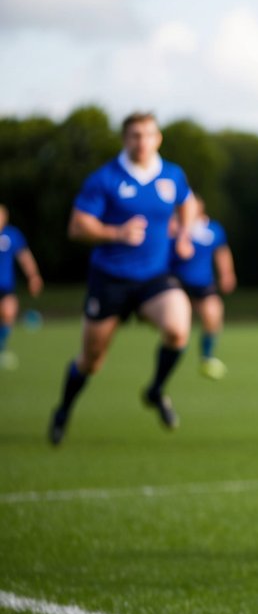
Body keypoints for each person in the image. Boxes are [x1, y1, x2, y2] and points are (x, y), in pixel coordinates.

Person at [48, 112, 197, 445]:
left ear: (158, 138)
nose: (142, 142)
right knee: (91, 361)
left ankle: (155, 391)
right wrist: (116, 232)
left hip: (153, 279)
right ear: (124, 139)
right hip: (110, 279)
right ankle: (63, 410)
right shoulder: (105, 179)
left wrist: (184, 234)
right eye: (134, 135)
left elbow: (186, 202)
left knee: (178, 328)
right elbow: (77, 226)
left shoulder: (172, 175)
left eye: (148, 135)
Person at [170, 199, 235, 379]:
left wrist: (227, 273)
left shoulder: (213, 229)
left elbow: (222, 252)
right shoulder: (174, 226)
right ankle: (173, 356)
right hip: (176, 283)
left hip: (203, 283)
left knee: (213, 315)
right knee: (178, 325)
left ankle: (206, 357)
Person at [0, 204, 44, 370]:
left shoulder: (12, 235)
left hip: (6, 286)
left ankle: (1, 348)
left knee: (8, 314)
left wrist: (33, 276)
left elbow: (24, 257)